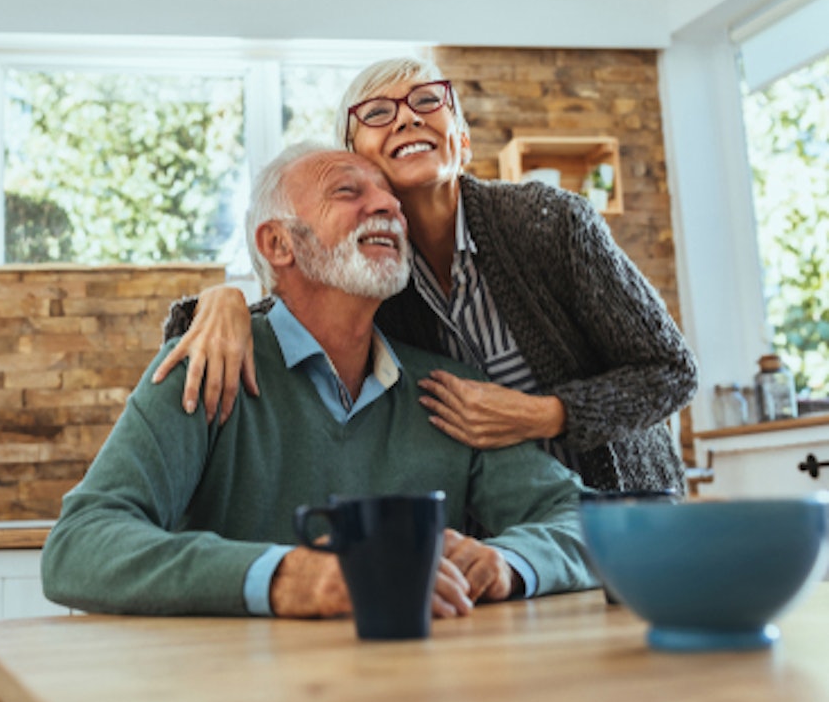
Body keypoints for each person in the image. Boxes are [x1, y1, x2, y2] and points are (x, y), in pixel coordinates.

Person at [41, 143, 597, 619]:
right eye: (347, 193)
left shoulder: (451, 394)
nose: (387, 206)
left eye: (388, 197)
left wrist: (511, 562)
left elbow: (589, 521)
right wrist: (288, 576)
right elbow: (77, 545)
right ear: (279, 245)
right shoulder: (205, 367)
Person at [156, 56, 698, 494]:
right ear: (354, 160)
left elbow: (671, 370)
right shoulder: (366, 270)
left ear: (461, 141)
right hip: (495, 543)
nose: (408, 118)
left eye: (425, 101)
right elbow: (284, 318)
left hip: (625, 510)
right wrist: (219, 301)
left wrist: (544, 414)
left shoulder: (551, 223)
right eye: (377, 113)